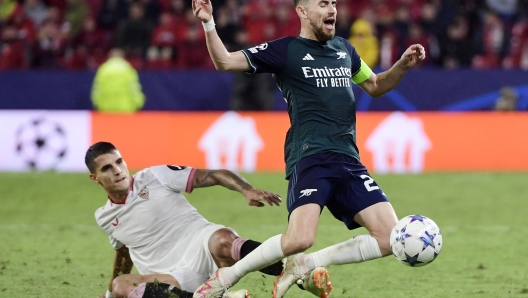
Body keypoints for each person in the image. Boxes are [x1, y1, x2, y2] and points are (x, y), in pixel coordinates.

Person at [192, 0, 426, 296]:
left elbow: (376, 85)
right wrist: (208, 23)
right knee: (298, 239)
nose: (332, 10)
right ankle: (226, 278)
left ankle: (305, 265)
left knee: (390, 238)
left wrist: (402, 64)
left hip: (349, 160)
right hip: (311, 156)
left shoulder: (345, 49)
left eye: (334, 3)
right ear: (302, 11)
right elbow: (224, 61)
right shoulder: (285, 50)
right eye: (323, 4)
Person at [85, 142, 284, 298]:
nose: (117, 170)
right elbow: (123, 252)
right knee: (121, 285)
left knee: (224, 240)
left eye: (119, 162)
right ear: (95, 178)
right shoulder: (104, 217)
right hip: (169, 278)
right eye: (107, 168)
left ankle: (292, 270)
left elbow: (215, 175)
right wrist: (111, 293)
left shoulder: (156, 175)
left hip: (200, 245)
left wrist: (246, 189)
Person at [91, 48, 146, 113]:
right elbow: (134, 89)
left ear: (109, 57)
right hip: (125, 108)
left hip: (106, 109)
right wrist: (139, 103)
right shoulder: (128, 69)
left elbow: (97, 90)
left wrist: (97, 104)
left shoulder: (103, 70)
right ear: (123, 57)